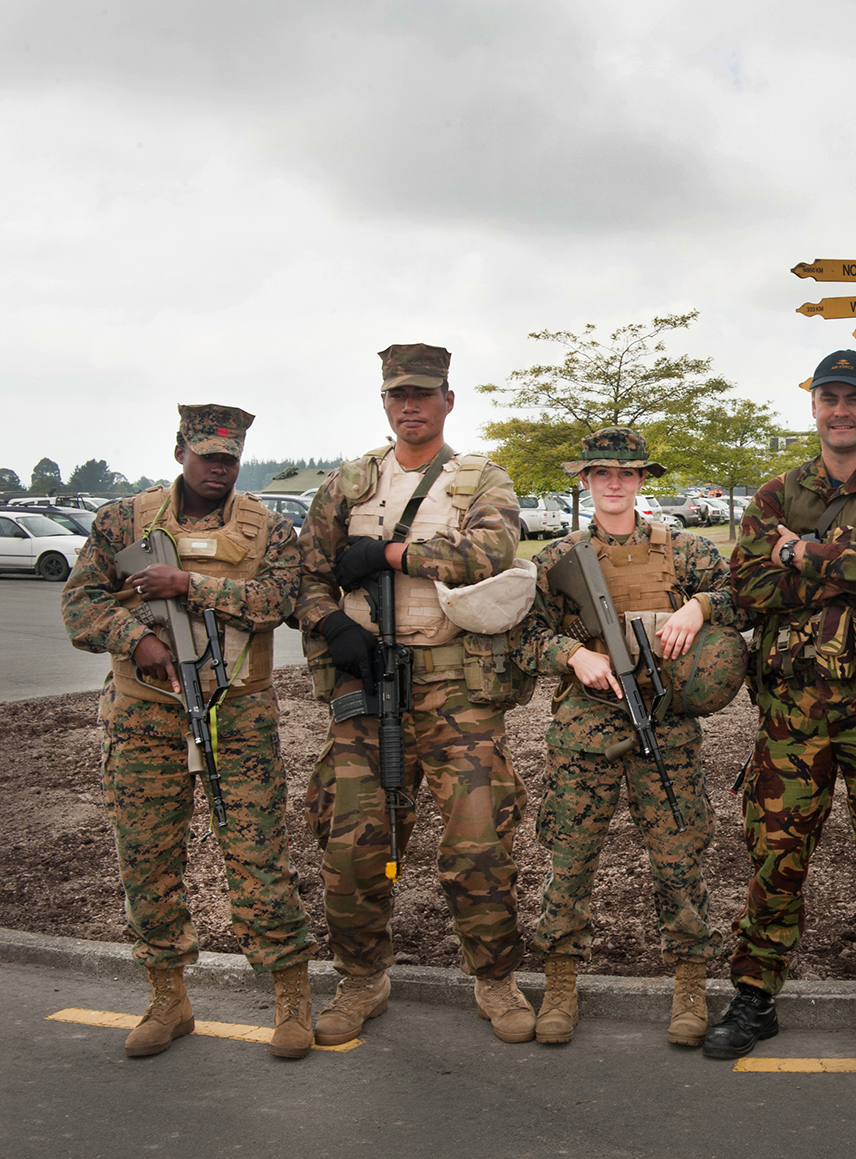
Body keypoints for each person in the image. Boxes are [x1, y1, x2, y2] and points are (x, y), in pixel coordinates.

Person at [296, 343, 536, 1045]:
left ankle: (495, 978)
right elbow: (306, 577)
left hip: (454, 687)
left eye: (423, 394)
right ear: (384, 402)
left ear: (447, 401)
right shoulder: (348, 485)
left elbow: (492, 553)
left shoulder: (479, 479)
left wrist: (391, 554)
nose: (410, 407)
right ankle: (361, 978)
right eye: (398, 395)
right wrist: (332, 623)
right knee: (352, 844)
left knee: (480, 843)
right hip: (367, 687)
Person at [60, 405, 315, 1059]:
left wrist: (189, 584)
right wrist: (135, 638)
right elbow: (80, 601)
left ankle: (291, 996)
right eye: (208, 456)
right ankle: (167, 999)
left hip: (239, 718)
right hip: (143, 718)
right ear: (181, 452)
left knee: (260, 860)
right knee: (147, 861)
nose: (219, 469)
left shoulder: (269, 529)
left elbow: (280, 601)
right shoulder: (125, 521)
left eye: (229, 458)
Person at [706, 349, 856, 1061]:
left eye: (854, 398)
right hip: (793, 707)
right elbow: (747, 587)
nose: (841, 410)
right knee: (776, 852)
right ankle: (754, 995)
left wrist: (800, 555)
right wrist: (842, 566)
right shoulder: (777, 493)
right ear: (813, 406)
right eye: (829, 397)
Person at [518, 427, 745, 1047]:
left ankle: (690, 982)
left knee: (679, 856)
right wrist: (572, 655)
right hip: (584, 727)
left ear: (643, 479)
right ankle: (560, 982)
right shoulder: (556, 558)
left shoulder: (687, 549)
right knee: (570, 857)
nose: (614, 484)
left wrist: (700, 607)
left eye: (626, 473)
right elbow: (523, 635)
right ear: (586, 480)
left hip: (664, 722)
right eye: (601, 473)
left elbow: (742, 599)